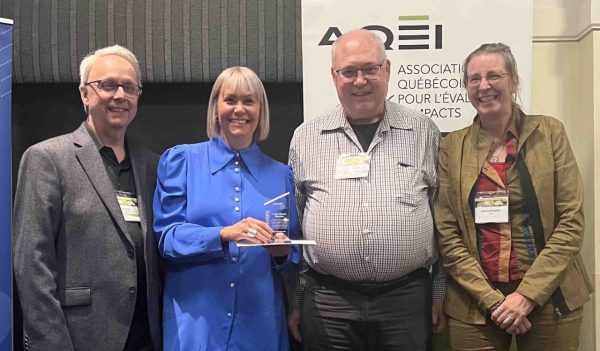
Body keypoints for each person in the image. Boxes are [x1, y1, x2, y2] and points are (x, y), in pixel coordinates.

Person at [288, 29, 446, 351]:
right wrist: (295, 300)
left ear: (387, 70)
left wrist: (439, 292)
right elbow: (294, 226)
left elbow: (445, 221)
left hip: (406, 300)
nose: (360, 80)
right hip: (328, 302)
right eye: (349, 71)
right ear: (334, 77)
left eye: (370, 69)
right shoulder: (306, 137)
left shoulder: (423, 131)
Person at [433, 43, 593, 350]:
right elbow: (447, 233)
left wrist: (527, 295)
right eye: (474, 79)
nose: (484, 86)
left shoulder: (549, 132)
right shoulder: (451, 147)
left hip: (552, 294)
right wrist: (494, 301)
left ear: (514, 81)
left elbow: (571, 222)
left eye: (494, 75)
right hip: (475, 299)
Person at [13, 45, 162, 351]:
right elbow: (32, 263)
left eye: (129, 87)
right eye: (108, 85)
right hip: (77, 339)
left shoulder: (152, 166)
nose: (120, 95)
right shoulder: (47, 159)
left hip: (146, 339)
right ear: (84, 94)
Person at [153, 66, 300, 351]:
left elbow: (291, 256)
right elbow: (167, 238)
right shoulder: (181, 161)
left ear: (261, 110)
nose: (239, 109)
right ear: (215, 107)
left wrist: (281, 253)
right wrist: (222, 234)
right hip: (197, 324)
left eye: (249, 101)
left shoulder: (281, 175)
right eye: (230, 100)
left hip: (260, 325)